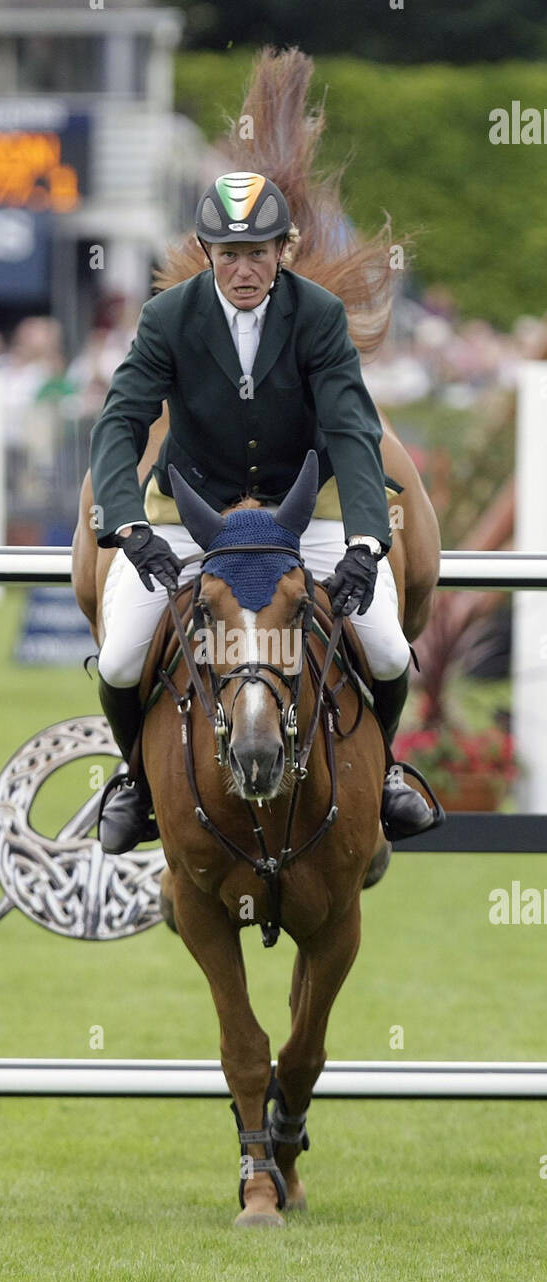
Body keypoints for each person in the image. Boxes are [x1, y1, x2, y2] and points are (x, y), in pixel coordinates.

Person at [90, 172, 437, 853]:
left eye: (257, 253)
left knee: (388, 647)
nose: (243, 270)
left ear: (284, 249)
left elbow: (351, 428)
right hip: (190, 510)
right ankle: (136, 782)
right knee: (122, 658)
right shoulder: (166, 317)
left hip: (305, 508)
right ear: (207, 252)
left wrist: (366, 543)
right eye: (228, 254)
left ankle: (386, 772)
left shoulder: (318, 314)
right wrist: (130, 527)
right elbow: (119, 422)